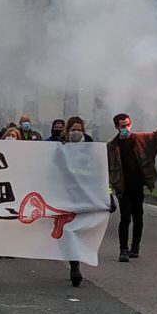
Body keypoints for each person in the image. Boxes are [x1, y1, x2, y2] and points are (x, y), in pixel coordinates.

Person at [107, 109, 157, 262]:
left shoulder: (142, 139)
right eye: (121, 126)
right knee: (125, 218)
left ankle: (135, 246)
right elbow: (105, 170)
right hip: (122, 187)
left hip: (137, 186)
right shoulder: (111, 147)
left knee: (138, 216)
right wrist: (109, 190)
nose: (125, 128)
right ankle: (123, 249)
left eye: (126, 125)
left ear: (130, 123)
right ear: (116, 127)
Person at [62, 115, 93, 286]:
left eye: (79, 129)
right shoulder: (60, 147)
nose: (76, 132)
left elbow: (99, 174)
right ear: (68, 131)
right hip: (65, 194)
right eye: (73, 129)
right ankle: (75, 264)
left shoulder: (91, 147)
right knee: (69, 229)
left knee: (80, 230)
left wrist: (107, 195)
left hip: (84, 194)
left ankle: (76, 260)